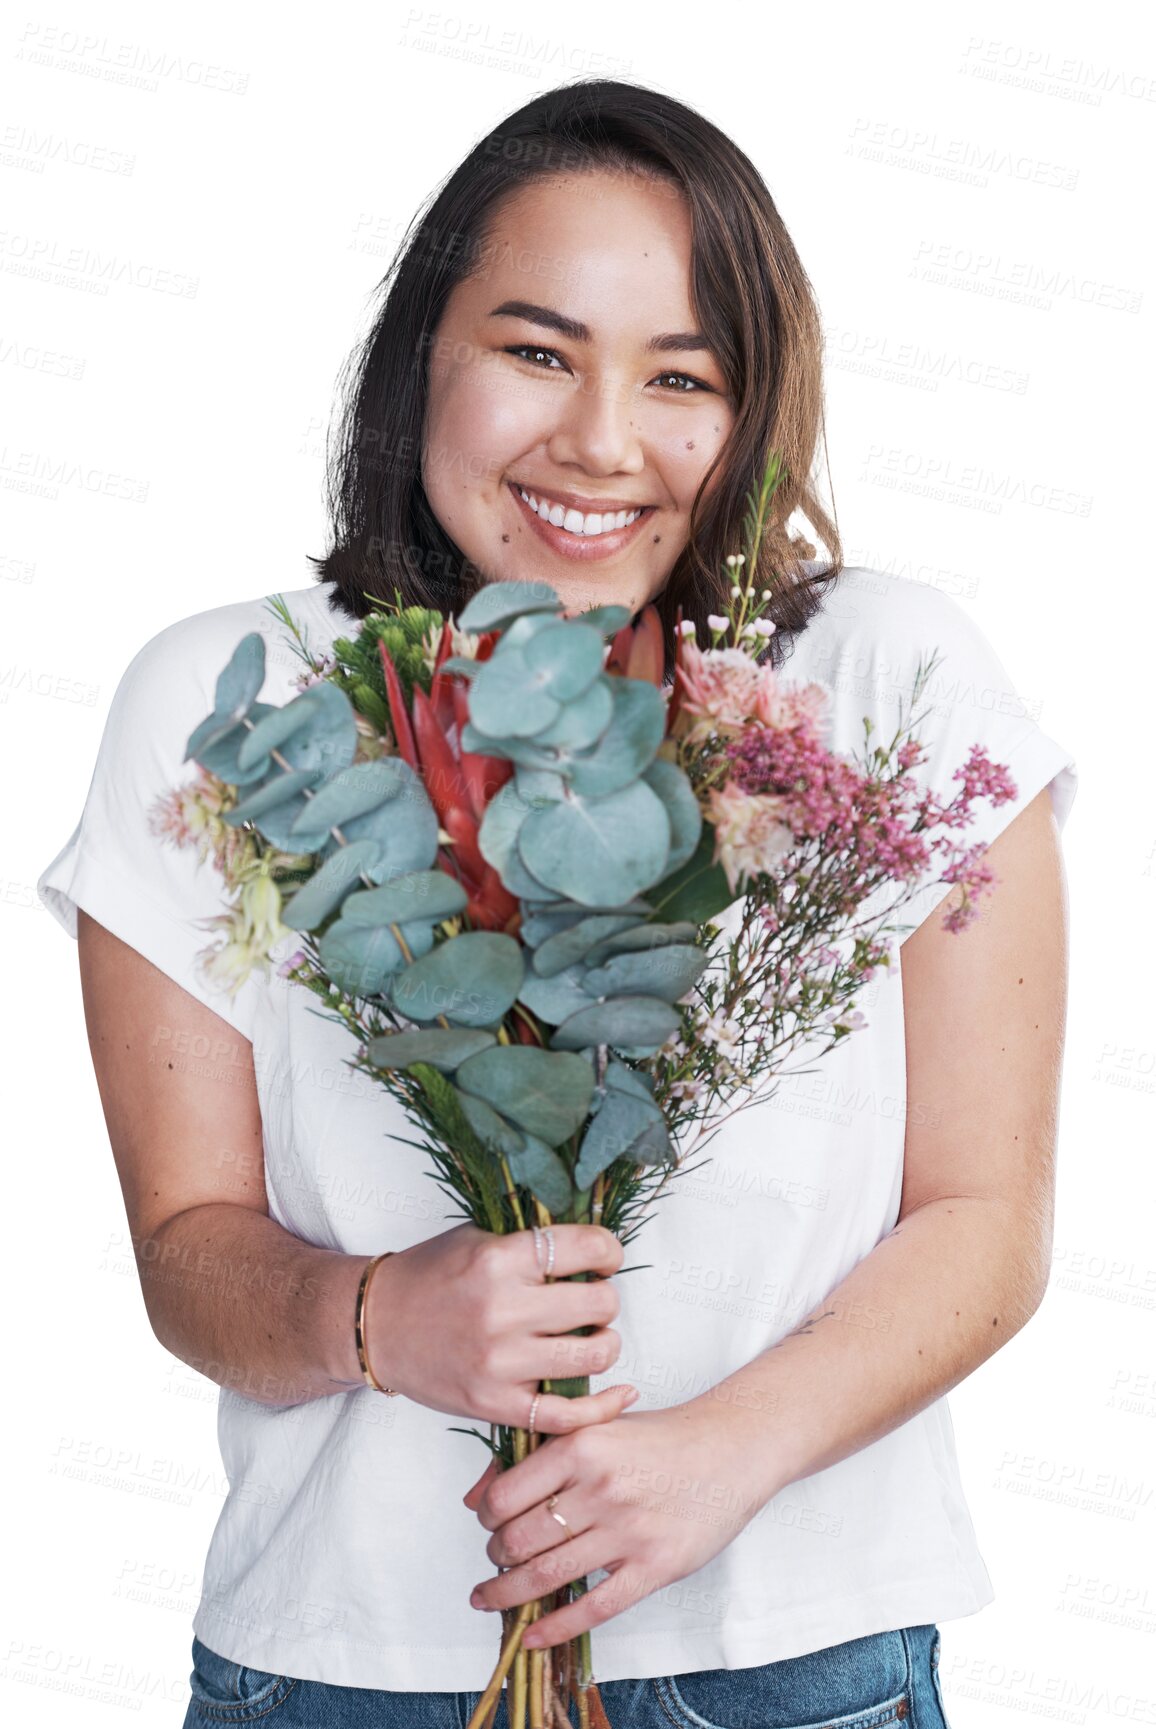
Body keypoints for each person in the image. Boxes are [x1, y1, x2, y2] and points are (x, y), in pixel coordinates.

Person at [37, 77, 1076, 1729]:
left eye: (683, 376)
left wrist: (709, 1466)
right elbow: (187, 1257)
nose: (601, 439)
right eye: (538, 350)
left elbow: (988, 1224)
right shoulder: (234, 711)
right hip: (345, 1674)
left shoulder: (879, 684)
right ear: (420, 359)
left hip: (796, 1669)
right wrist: (375, 1314)